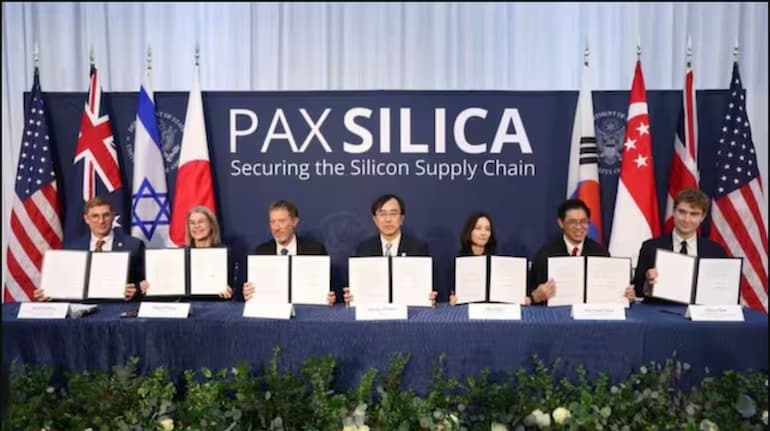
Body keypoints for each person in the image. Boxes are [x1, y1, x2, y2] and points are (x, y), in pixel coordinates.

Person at [33, 196, 145, 301]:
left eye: (106, 215)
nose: (101, 221)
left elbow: (145, 284)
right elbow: (65, 283)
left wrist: (135, 291)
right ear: (86, 219)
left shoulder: (133, 246)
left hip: (119, 308)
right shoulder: (73, 249)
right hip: (82, 309)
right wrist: (50, 295)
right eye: (95, 216)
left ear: (112, 216)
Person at [529, 198, 635, 304]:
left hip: (592, 312)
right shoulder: (545, 255)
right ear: (561, 223)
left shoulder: (600, 253)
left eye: (584, 222)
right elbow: (531, 295)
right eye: (572, 222)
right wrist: (536, 296)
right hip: (555, 312)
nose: (579, 227)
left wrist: (626, 295)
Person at [633, 188, 728, 298]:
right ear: (673, 212)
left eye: (694, 214)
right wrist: (648, 284)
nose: (686, 219)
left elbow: (722, 292)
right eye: (682, 212)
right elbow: (637, 291)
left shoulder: (716, 252)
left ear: (702, 217)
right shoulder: (650, 247)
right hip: (660, 308)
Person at [345, 193, 434, 305]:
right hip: (373, 309)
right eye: (382, 214)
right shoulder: (364, 249)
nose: (388, 219)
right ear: (375, 219)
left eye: (393, 213)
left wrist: (428, 296)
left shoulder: (418, 248)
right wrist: (352, 295)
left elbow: (423, 285)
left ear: (401, 219)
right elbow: (359, 284)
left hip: (409, 309)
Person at [243, 200, 331, 302]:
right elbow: (252, 292)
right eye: (272, 222)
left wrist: (328, 298)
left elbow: (326, 291)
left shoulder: (315, 250)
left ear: (295, 221)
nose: (276, 228)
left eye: (281, 221)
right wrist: (248, 293)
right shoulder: (261, 252)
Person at [140, 205, 234, 299]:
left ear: (211, 225)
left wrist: (230, 291)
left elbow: (234, 288)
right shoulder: (179, 254)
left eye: (201, 222)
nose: (196, 226)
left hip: (216, 304)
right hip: (186, 304)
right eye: (192, 223)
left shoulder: (225, 254)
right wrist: (150, 286)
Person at [449, 211, 531, 305]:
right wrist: (454, 299)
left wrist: (519, 298)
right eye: (478, 228)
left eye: (487, 229)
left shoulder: (497, 261)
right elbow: (454, 292)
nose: (483, 233)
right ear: (469, 231)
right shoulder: (459, 262)